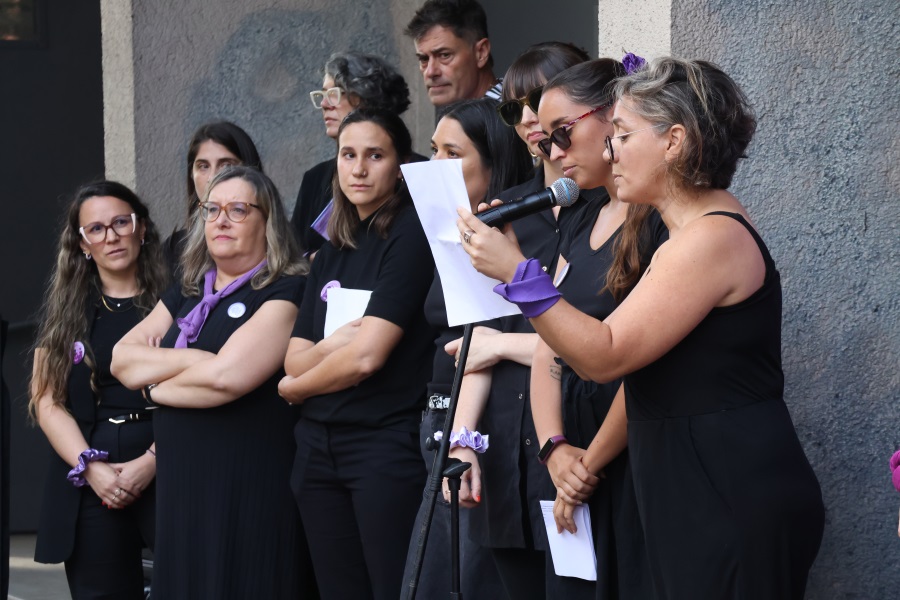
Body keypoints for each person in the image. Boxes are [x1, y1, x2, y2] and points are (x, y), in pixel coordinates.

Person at [457, 57, 825, 599]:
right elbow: (575, 346)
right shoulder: (689, 235)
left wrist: (516, 273)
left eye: (624, 134)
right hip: (695, 481)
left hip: (726, 486)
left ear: (674, 141)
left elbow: (604, 354)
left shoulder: (709, 238)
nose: (611, 149)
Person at [111, 166, 315, 599]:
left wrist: (153, 384)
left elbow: (227, 377)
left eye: (238, 210)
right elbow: (121, 360)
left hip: (248, 486)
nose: (220, 221)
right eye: (212, 209)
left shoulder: (287, 290)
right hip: (184, 485)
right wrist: (193, 362)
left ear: (268, 222)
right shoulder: (187, 290)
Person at [279, 108, 435, 600]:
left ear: (401, 164)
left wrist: (293, 389)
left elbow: (367, 357)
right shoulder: (332, 245)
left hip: (381, 446)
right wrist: (337, 344)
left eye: (375, 155)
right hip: (318, 446)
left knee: (390, 588)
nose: (359, 169)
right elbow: (294, 353)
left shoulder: (410, 235)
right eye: (348, 155)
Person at [402, 97, 532, 599]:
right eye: (433, 150)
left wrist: (464, 440)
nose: (435, 166)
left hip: (484, 428)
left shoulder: (507, 237)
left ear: (495, 164)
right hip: (444, 421)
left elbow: (484, 341)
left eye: (451, 153)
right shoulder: (454, 234)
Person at [30, 181, 167, 599]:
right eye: (96, 229)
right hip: (93, 471)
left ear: (141, 227)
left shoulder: (178, 300)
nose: (111, 236)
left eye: (121, 222)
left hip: (169, 463)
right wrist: (91, 468)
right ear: (82, 243)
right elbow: (47, 401)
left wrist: (152, 462)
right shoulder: (67, 310)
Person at [292, 52, 415, 259]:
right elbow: (293, 255)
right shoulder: (315, 177)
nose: (324, 104)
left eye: (335, 94)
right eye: (322, 95)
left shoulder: (417, 170)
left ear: (366, 99)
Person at [163, 121, 263, 276]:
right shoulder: (175, 248)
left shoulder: (276, 242)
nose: (213, 177)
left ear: (250, 170)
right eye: (203, 166)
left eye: (226, 166)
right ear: (191, 174)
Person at [405, 0, 502, 107]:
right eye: (424, 59)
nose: (430, 72)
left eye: (444, 55)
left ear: (481, 52)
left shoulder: (517, 117)